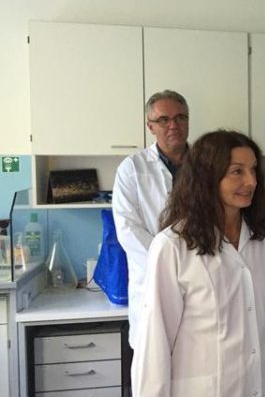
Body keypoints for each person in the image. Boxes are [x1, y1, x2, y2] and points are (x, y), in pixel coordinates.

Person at [132, 130, 265, 397]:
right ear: (207, 177)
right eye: (237, 171)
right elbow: (155, 340)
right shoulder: (172, 246)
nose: (251, 181)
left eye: (253, 170)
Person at [112, 89, 190, 349]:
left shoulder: (207, 165)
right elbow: (128, 229)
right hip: (153, 280)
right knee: (154, 357)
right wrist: (168, 263)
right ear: (150, 126)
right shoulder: (132, 168)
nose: (173, 125)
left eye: (180, 118)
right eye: (164, 119)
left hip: (201, 277)